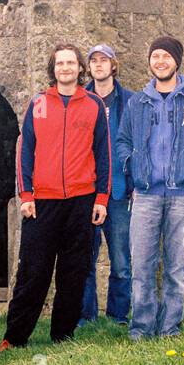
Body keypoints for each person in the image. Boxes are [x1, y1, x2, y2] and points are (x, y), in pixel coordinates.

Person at [0, 43, 110, 349]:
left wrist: (101, 198)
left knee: (74, 272)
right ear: (53, 69)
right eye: (60, 63)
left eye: (71, 63)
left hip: (81, 200)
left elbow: (103, 155)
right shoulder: (37, 104)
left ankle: (63, 335)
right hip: (42, 202)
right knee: (33, 271)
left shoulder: (93, 105)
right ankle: (14, 336)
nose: (65, 68)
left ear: (79, 68)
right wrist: (26, 194)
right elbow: (25, 152)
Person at [116, 36, 184, 340]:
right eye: (155, 56)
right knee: (142, 266)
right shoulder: (137, 102)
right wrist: (132, 164)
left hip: (183, 195)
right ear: (149, 61)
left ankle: (169, 329)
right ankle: (141, 330)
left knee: (177, 266)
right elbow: (123, 140)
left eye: (166, 56)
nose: (160, 61)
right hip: (146, 194)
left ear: (176, 61)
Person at [79, 44, 133, 326]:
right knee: (85, 258)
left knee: (121, 260)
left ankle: (118, 316)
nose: (99, 65)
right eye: (94, 61)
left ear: (114, 65)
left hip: (120, 191)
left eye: (104, 60)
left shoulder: (130, 102)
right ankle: (86, 316)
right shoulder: (79, 100)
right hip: (87, 191)